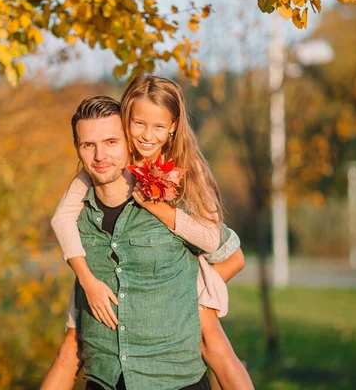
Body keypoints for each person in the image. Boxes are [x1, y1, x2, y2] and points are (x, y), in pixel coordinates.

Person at [42, 78, 253, 389]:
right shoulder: (87, 190)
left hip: (172, 370)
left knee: (212, 337)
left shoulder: (182, 176)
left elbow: (228, 253)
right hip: (107, 374)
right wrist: (88, 280)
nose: (146, 136)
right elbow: (61, 217)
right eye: (139, 124)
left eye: (111, 142)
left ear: (172, 127)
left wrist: (182, 298)